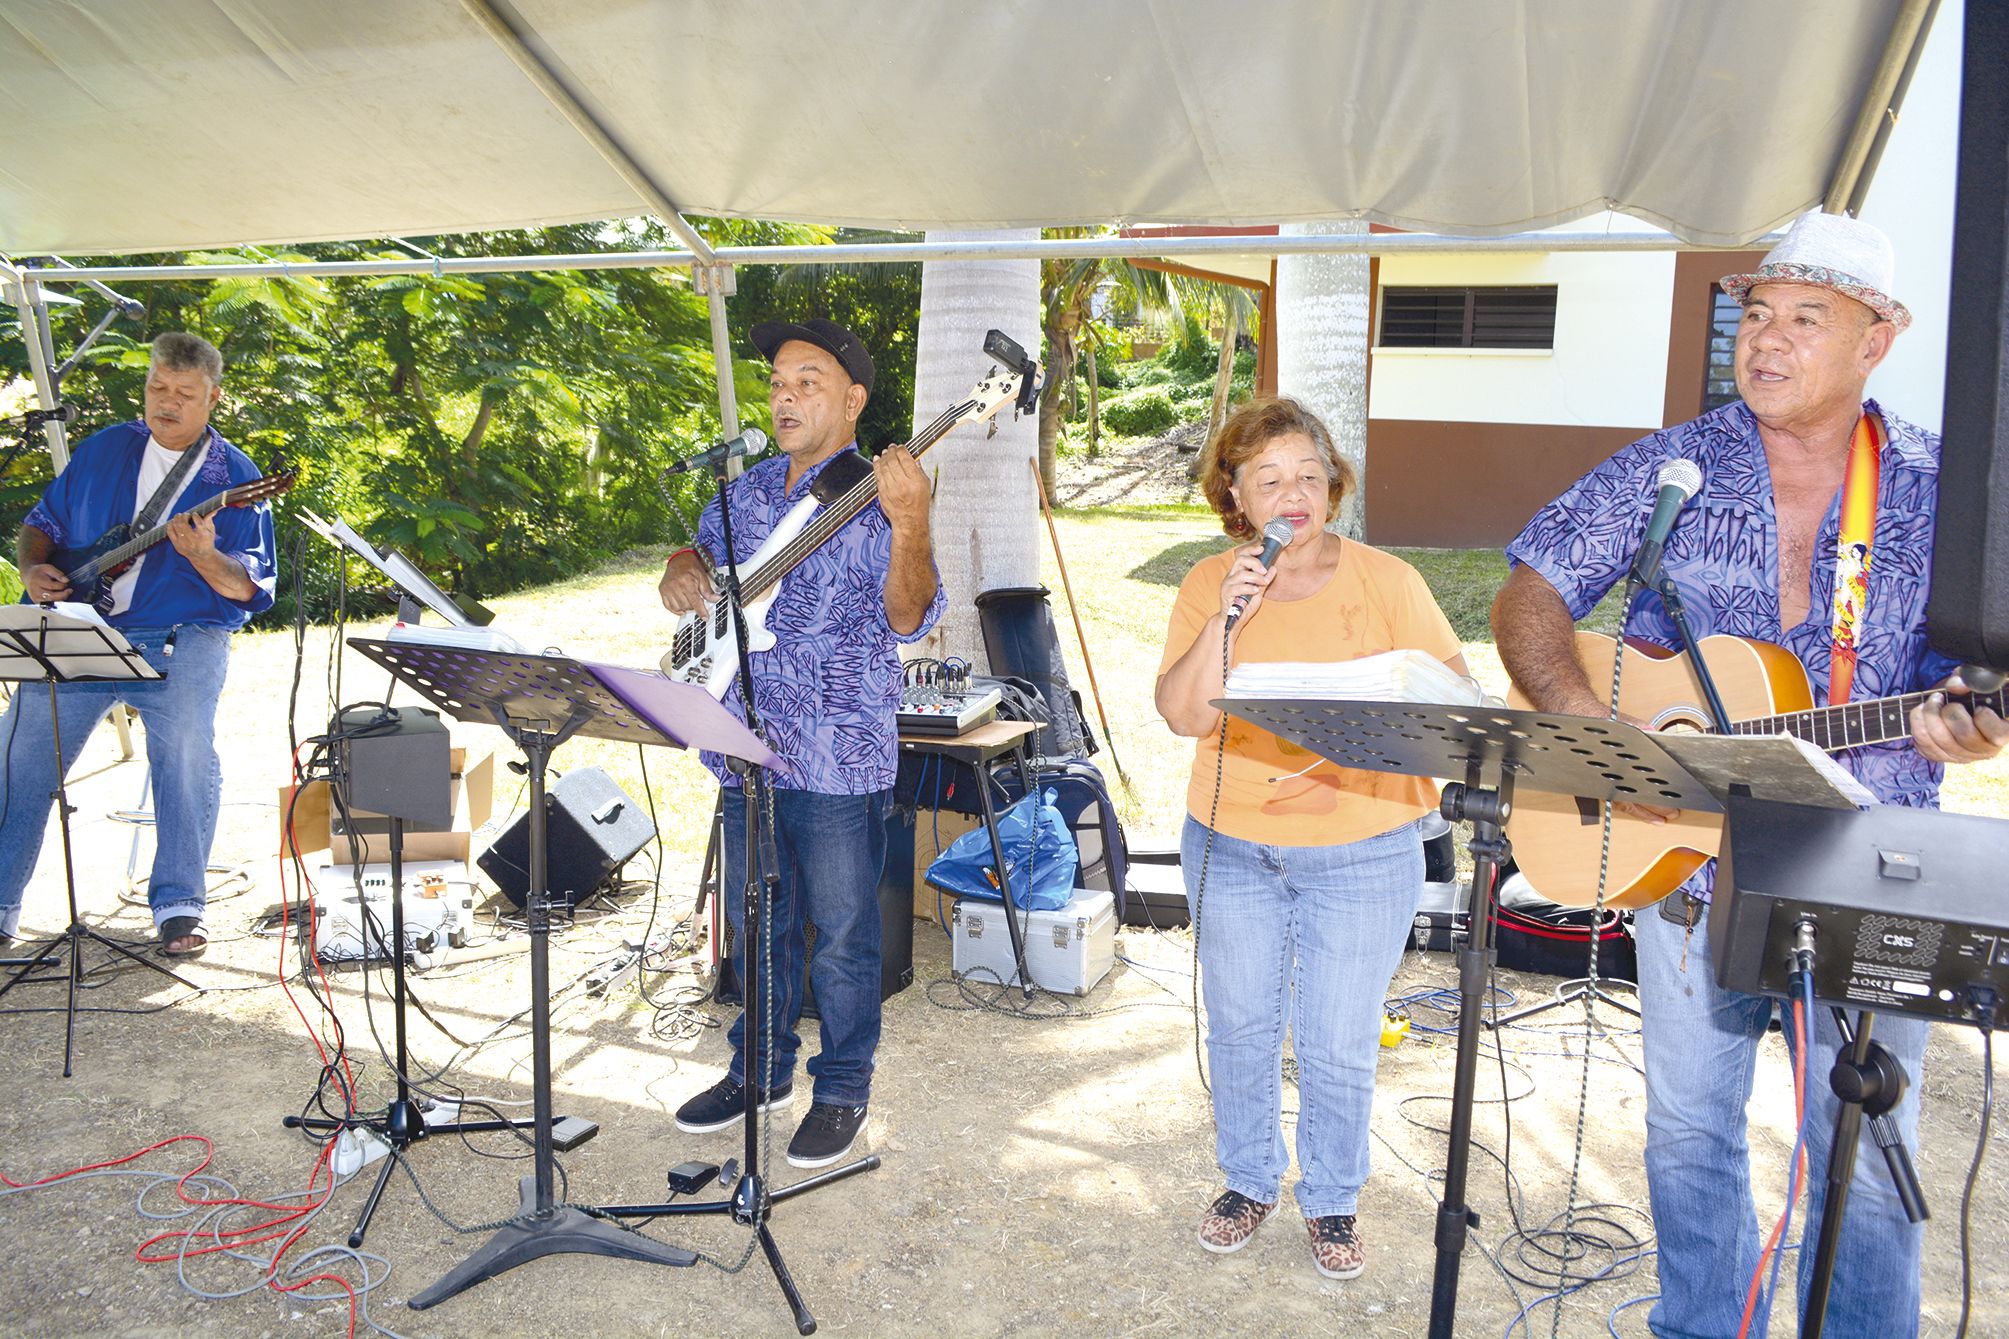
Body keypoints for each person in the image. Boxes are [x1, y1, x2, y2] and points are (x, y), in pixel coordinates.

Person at [1492, 211, 2006, 1338]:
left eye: (1803, 318)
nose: (1763, 339)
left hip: (1869, 866)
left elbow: (1972, 670)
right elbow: (1529, 590)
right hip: (1681, 865)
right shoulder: (1668, 467)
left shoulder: (1935, 486)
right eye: (1754, 314)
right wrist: (1594, 730)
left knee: (1864, 1151)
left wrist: (1971, 721)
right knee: (1684, 1130)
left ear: (1877, 338)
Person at [1156, 395, 1468, 1280]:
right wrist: (1230, 616)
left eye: (1307, 472)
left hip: (1363, 849)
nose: (1293, 492)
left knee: (1336, 1039)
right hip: (1230, 842)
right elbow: (1182, 716)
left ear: (1331, 480)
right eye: (1268, 479)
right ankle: (1249, 1178)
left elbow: (1458, 704)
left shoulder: (1388, 581)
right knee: (1243, 1026)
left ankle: (1330, 1197)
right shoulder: (1209, 584)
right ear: (1236, 497)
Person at [658, 317, 943, 1168]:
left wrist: (913, 523)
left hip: (837, 749)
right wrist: (678, 562)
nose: (784, 396)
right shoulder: (741, 493)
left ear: (853, 400)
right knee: (757, 922)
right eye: (778, 382)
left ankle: (844, 1086)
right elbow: (698, 554)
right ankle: (760, 1071)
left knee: (847, 932)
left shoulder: (881, 495)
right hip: (741, 738)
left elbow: (908, 614)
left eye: (806, 381)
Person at [4, 331, 278, 956]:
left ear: (213, 399)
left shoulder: (234, 478)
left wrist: (206, 556)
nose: (167, 402)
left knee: (182, 754)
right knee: (21, 754)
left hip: (181, 637)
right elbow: (40, 527)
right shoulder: (105, 448)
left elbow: (249, 588)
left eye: (185, 393)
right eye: (158, 387)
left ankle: (180, 905)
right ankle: (0, 904)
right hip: (77, 627)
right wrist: (32, 570)